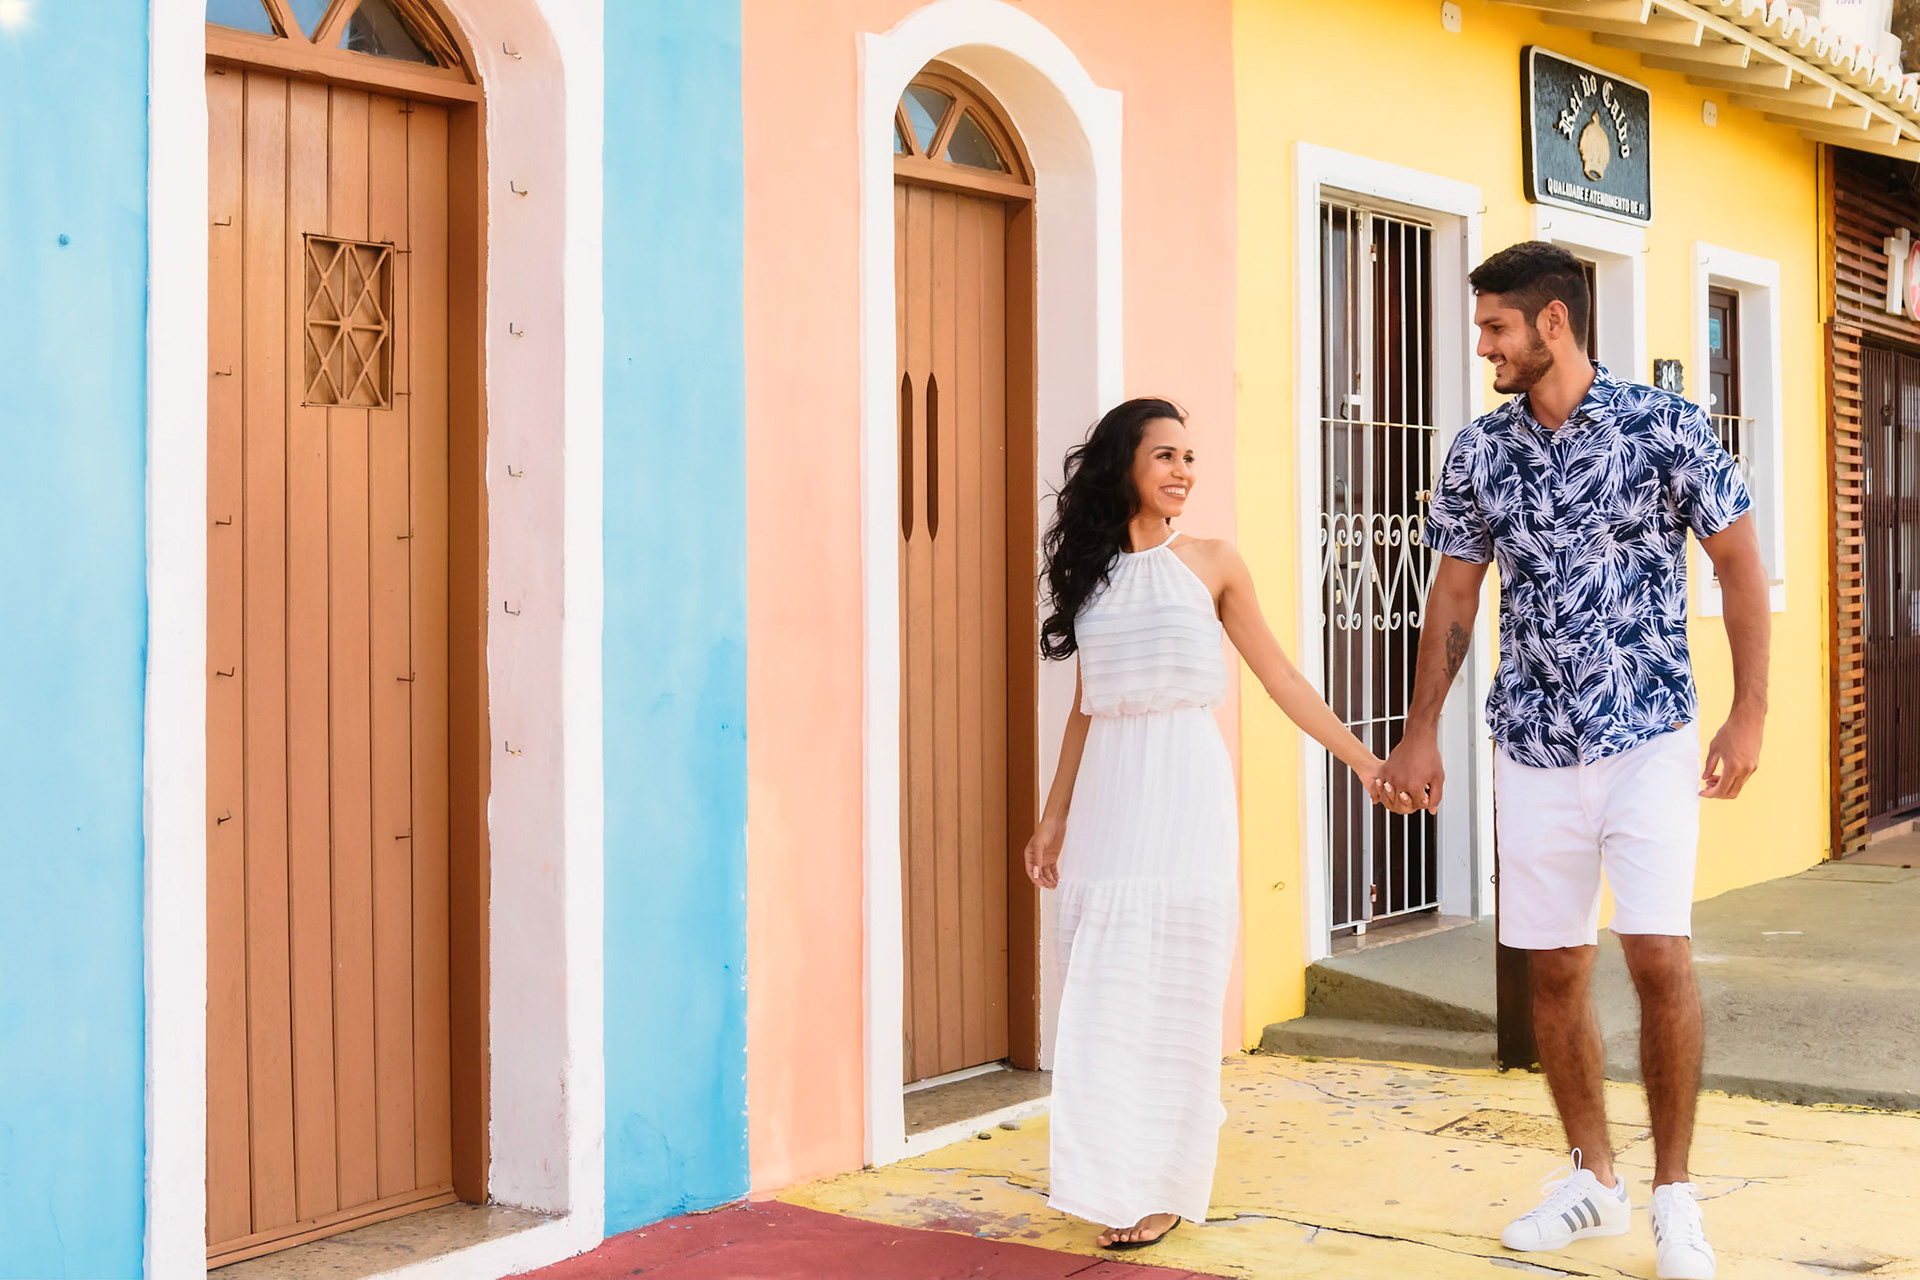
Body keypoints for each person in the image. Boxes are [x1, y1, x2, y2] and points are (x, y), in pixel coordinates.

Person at [1377, 241, 1770, 1280]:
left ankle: (1675, 1196)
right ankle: (1594, 1179)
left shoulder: (1666, 425)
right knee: (1552, 964)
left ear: (1554, 321)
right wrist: (1420, 728)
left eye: (1496, 327)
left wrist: (1749, 713)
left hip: (1648, 733)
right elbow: (1455, 592)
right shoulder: (1479, 451)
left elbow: (1738, 561)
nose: (1484, 347)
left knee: (1657, 954)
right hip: (1532, 742)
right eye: (1482, 329)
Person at [1023, 397, 1391, 1249]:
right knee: (1101, 987)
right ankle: (1108, 1176)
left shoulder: (1214, 562)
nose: (1183, 470)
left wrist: (1363, 760)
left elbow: (1282, 677)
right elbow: (1085, 707)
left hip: (1184, 788)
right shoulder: (1092, 575)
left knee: (1174, 988)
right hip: (1111, 793)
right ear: (1125, 465)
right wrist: (1052, 818)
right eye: (1165, 455)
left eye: (1189, 457)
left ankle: (1163, 1187)